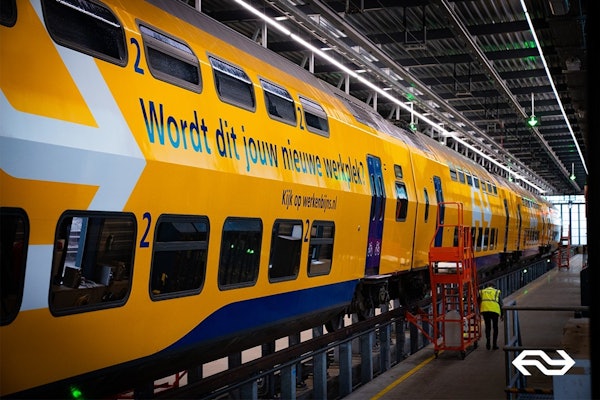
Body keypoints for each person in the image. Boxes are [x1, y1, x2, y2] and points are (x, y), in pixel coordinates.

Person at [478, 281, 503, 350]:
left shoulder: (482, 291)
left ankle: (488, 343)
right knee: (495, 327)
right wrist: (502, 314)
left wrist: (479, 311)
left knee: (487, 327)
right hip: (494, 311)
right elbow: (501, 303)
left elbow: (479, 301)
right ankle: (494, 345)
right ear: (494, 286)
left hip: (485, 310)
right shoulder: (496, 291)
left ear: (487, 286)